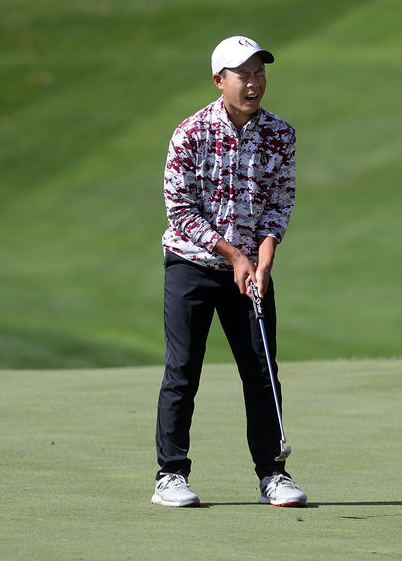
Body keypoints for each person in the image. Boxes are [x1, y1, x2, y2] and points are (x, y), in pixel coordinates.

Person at [152, 35, 306, 507]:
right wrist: (234, 256)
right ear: (220, 80)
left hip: (249, 268)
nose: (254, 82)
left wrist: (262, 260)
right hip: (193, 264)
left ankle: (272, 475)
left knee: (261, 370)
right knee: (183, 369)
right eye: (244, 74)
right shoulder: (191, 133)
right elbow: (180, 211)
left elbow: (280, 203)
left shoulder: (281, 134)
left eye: (260, 72)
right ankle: (170, 475)